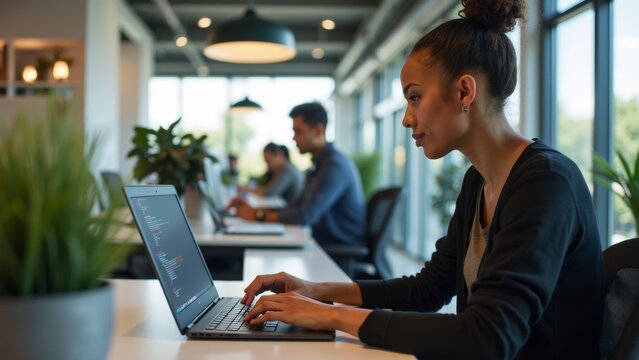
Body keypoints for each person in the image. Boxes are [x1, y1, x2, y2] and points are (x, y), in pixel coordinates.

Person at [238, 1, 604, 359]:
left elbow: (488, 337)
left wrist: (331, 315)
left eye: (415, 97)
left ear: (464, 91)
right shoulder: (479, 181)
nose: (407, 118)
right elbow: (428, 289)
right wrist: (316, 291)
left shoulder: (545, 184)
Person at [230, 102, 366, 248]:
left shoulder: (335, 166)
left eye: (298, 131)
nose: (294, 138)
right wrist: (254, 211)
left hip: (339, 248)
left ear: (318, 130)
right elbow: (295, 207)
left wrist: (258, 216)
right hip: (322, 243)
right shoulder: (317, 165)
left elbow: (305, 216)